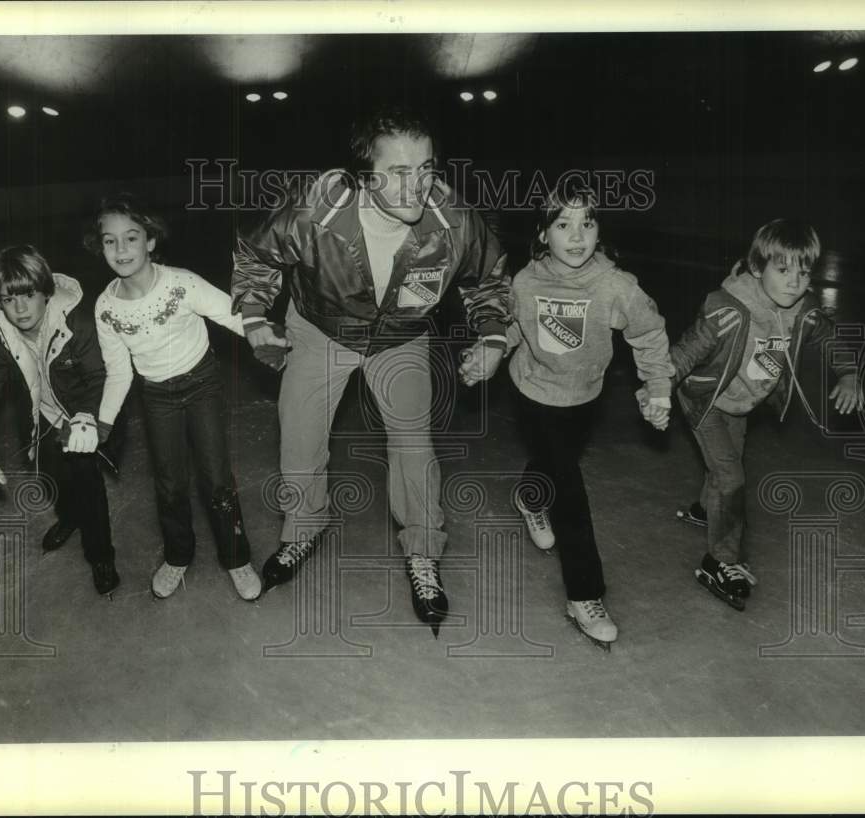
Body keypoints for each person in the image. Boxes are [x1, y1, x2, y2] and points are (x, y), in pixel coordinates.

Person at [231, 105, 511, 636]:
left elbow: (488, 279)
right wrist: (252, 314)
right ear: (364, 173)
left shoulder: (453, 219)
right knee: (300, 437)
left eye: (426, 168)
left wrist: (493, 336)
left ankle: (423, 550)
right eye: (398, 172)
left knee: (414, 445)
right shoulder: (315, 207)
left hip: (400, 337)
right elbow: (256, 256)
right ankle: (303, 526)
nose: (417, 186)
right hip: (320, 328)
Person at [657, 218, 863, 610]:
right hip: (704, 397)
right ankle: (720, 561)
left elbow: (829, 338)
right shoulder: (729, 309)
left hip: (741, 401)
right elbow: (687, 351)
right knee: (730, 473)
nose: (794, 282)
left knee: (727, 465)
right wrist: (658, 384)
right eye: (782, 270)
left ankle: (707, 508)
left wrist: (849, 373)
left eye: (803, 272)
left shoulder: (805, 310)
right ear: (756, 267)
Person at [504, 184, 675, 649]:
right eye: (563, 224)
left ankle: (528, 494)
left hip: (584, 396)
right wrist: (488, 348)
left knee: (553, 461)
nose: (577, 236)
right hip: (533, 390)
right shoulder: (525, 281)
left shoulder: (614, 285)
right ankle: (584, 595)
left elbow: (650, 332)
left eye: (588, 223)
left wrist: (657, 387)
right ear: (542, 233)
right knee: (570, 493)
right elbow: (508, 324)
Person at [87, 194, 261, 601]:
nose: (121, 249)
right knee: (168, 483)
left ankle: (236, 557)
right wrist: (104, 421)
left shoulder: (180, 282)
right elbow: (118, 371)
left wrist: (262, 335)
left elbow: (230, 313)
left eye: (131, 238)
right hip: (156, 395)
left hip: (201, 383)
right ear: (101, 247)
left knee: (216, 478)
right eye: (110, 241)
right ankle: (178, 554)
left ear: (150, 241)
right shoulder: (106, 308)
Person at [0, 245, 121, 595]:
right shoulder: (1, 332)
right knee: (51, 477)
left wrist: (88, 416)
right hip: (41, 415)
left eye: (28, 295)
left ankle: (101, 554)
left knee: (87, 484)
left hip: (81, 417)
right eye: (7, 299)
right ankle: (70, 517)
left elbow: (99, 375)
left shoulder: (78, 320)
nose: (19, 308)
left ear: (46, 291)